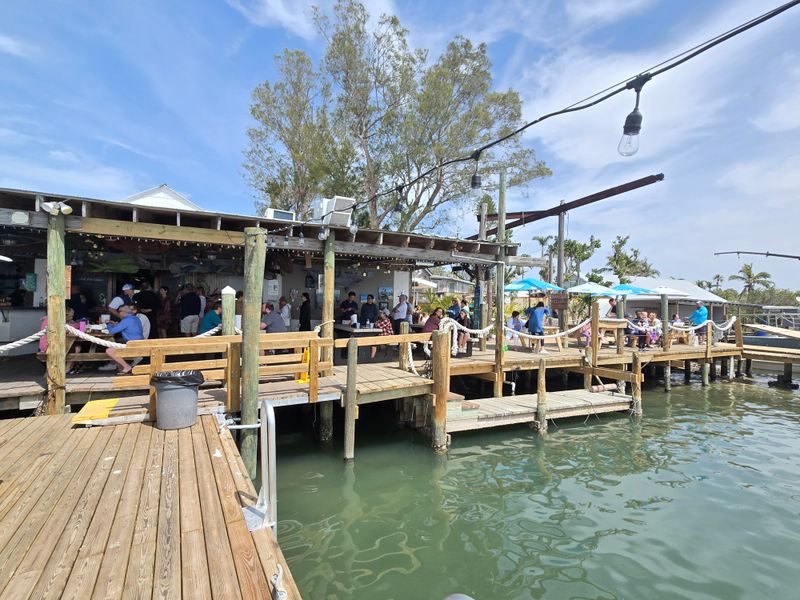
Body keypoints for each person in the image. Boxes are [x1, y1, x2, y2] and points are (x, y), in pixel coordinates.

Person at [104, 305, 144, 374]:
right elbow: (126, 326)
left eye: (119, 311)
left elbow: (111, 331)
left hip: (133, 346)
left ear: (123, 312)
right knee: (116, 344)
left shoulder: (126, 320)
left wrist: (108, 324)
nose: (118, 313)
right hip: (139, 344)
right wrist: (115, 325)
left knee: (109, 351)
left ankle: (127, 367)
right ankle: (122, 368)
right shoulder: (135, 318)